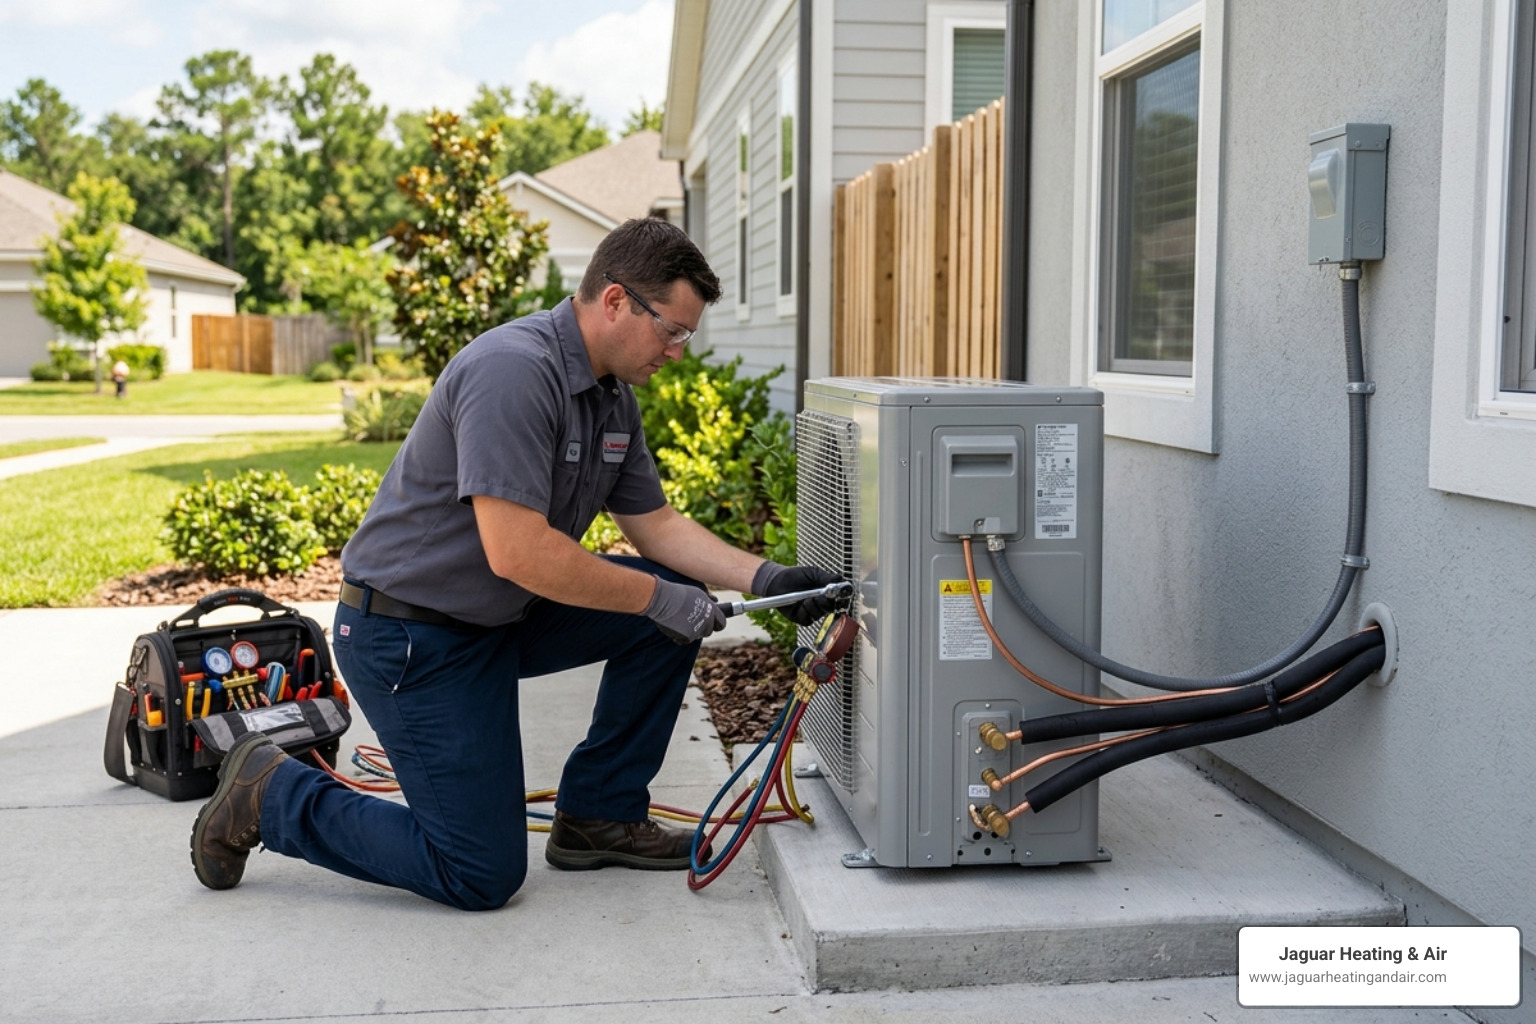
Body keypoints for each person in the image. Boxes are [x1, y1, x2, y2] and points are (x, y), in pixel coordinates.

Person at [189, 218, 842, 910]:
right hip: (412, 637)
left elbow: (655, 525)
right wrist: (655, 600)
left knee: (674, 602)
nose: (678, 352)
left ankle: (599, 816)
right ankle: (274, 793)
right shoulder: (514, 371)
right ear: (615, 301)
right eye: (673, 330)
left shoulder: (612, 398)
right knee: (479, 871)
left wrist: (766, 578)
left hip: (499, 617)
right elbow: (519, 551)